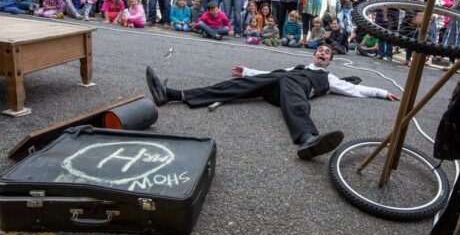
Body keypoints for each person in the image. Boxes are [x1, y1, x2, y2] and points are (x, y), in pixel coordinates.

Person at [144, 43, 401, 159]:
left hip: (293, 95)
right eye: (320, 51)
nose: (323, 53)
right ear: (314, 55)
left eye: (327, 53)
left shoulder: (330, 78)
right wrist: (247, 72)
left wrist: (381, 92)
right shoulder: (298, 65)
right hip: (277, 86)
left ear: (329, 61)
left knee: (287, 81)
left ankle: (308, 138)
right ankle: (174, 95)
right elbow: (271, 75)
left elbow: (355, 90)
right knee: (245, 85)